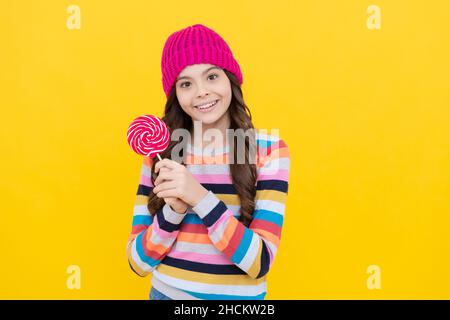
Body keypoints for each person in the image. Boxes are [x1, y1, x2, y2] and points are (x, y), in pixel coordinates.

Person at [126, 24, 290, 300]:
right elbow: (138, 263)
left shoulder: (269, 150)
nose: (201, 92)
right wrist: (174, 211)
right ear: (175, 94)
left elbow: (259, 263)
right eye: (186, 83)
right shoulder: (161, 154)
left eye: (211, 76)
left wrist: (199, 197)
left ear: (230, 80)